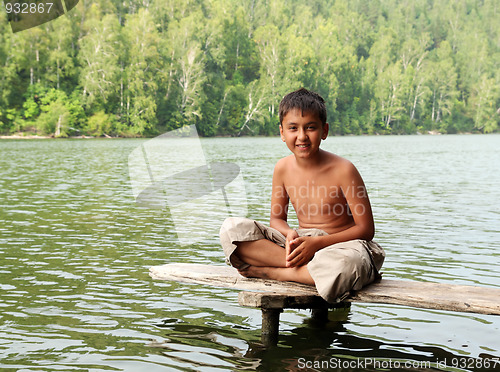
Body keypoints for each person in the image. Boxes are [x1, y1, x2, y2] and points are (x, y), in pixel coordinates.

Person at [219, 88, 385, 303]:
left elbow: (366, 230)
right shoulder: (282, 168)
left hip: (342, 246)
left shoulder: (344, 170)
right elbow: (277, 220)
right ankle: (309, 271)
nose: (302, 136)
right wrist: (289, 235)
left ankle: (271, 271)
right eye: (293, 128)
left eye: (311, 128)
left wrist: (317, 245)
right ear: (282, 133)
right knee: (232, 231)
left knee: (344, 266)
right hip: (301, 245)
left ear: (324, 131)